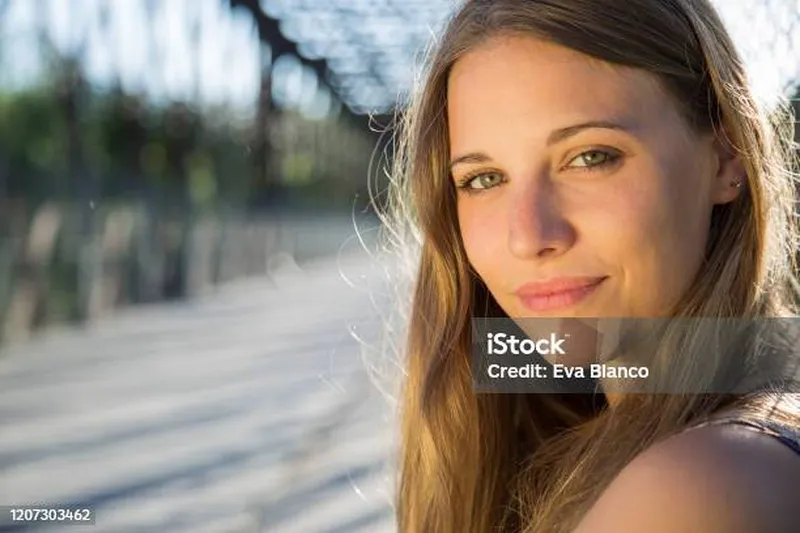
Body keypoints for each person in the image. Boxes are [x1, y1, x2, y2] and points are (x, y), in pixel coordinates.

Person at [376, 0, 800, 531]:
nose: (529, 237)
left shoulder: (698, 488)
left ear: (726, 156)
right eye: (484, 179)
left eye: (590, 156)